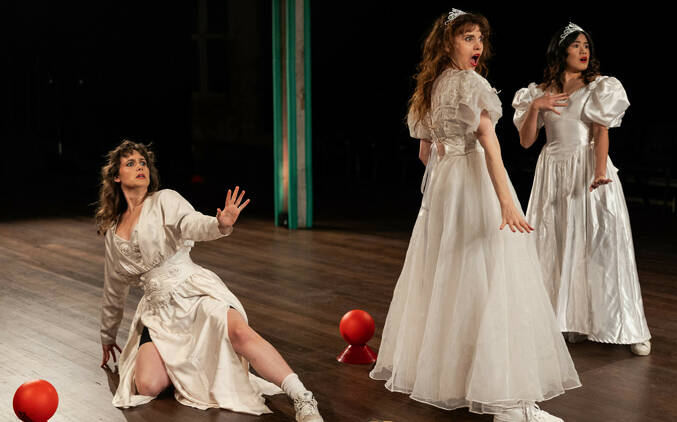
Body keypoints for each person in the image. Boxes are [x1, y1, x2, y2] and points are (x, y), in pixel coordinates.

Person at [370, 9, 580, 422]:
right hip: (473, 183)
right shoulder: (471, 84)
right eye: (468, 37)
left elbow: (425, 151)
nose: (478, 45)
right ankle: (506, 399)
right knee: (493, 278)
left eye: (480, 37)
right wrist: (505, 200)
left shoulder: (431, 87)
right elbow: (489, 143)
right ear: (448, 43)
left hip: (446, 190)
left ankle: (457, 378)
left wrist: (442, 179)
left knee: (451, 277)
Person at [96, 140, 324, 421]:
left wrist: (219, 225)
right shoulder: (113, 231)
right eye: (130, 163)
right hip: (158, 312)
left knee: (240, 333)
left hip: (193, 291)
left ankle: (302, 397)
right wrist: (107, 335)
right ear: (116, 176)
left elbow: (190, 223)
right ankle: (197, 357)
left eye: (143, 162)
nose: (139, 167)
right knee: (148, 385)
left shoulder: (165, 199)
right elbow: (114, 288)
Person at [512, 22, 651, 355]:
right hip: (553, 172)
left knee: (602, 243)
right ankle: (559, 319)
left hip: (587, 167)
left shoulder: (600, 87)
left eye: (586, 45)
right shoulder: (539, 92)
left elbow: (601, 131)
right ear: (561, 51)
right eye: (576, 45)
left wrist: (600, 171)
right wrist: (535, 107)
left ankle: (626, 325)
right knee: (555, 242)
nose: (584, 50)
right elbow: (527, 140)